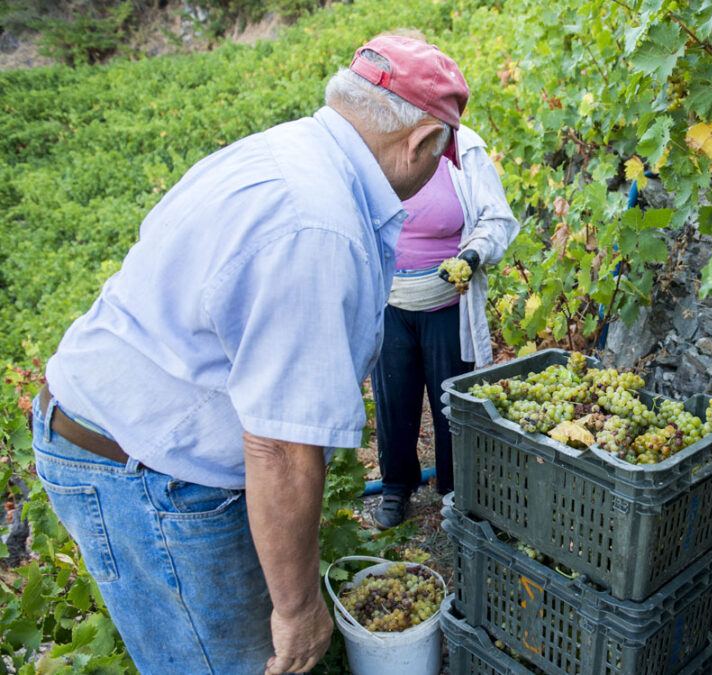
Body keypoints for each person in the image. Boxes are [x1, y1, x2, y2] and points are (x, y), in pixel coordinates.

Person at [31, 35, 468, 675]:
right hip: (148, 475)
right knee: (239, 662)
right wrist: (296, 611)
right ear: (423, 143)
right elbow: (281, 447)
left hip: (116, 438)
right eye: (440, 155)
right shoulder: (317, 227)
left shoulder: (289, 153)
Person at [369, 116, 519, 529]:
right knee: (393, 399)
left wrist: (472, 255)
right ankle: (396, 487)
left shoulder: (463, 149)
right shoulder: (378, 143)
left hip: (447, 303)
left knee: (451, 401)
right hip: (391, 300)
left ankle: (455, 490)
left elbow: (495, 219)